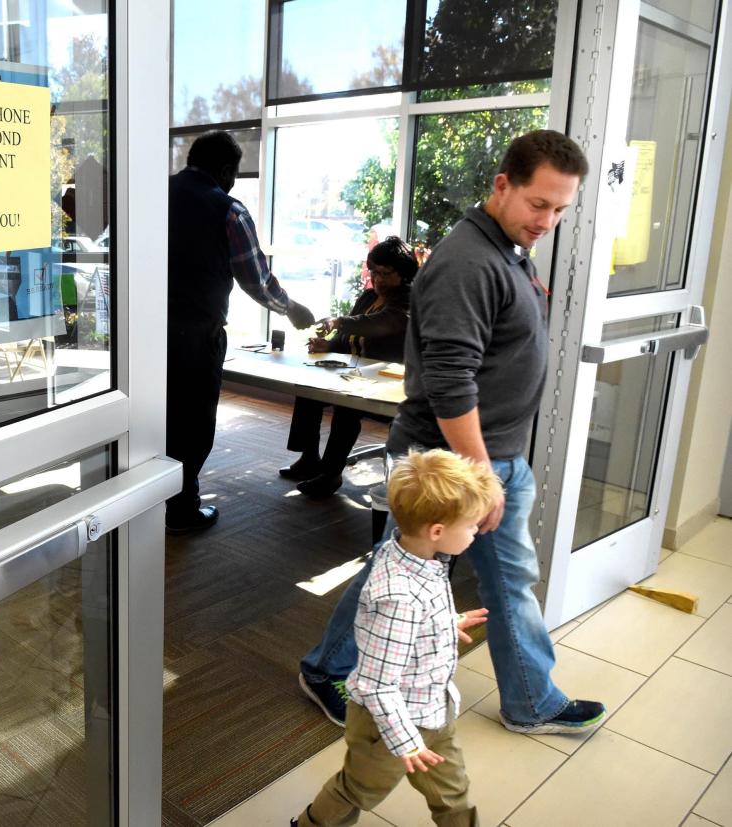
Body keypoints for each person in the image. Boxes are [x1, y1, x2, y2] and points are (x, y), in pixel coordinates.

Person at [298, 130, 607, 737]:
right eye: (538, 204)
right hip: (450, 463)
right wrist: (484, 477)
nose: (548, 220)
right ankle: (327, 668)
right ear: (502, 186)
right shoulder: (467, 262)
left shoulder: (509, 250)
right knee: (405, 574)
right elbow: (449, 381)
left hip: (484, 458)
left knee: (492, 577)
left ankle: (529, 699)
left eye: (561, 209)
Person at [293, 449, 498, 827]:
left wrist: (444, 623)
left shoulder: (408, 552)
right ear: (437, 531)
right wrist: (406, 742)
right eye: (471, 526)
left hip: (433, 709)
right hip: (389, 726)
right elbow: (375, 684)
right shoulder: (398, 597)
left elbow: (405, 629)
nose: (475, 533)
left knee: (453, 790)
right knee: (357, 790)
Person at [166, 131, 315, 534]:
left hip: (147, 335)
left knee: (157, 418)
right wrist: (290, 308)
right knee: (193, 424)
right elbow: (256, 279)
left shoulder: (154, 193)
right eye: (233, 172)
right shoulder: (227, 209)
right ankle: (181, 510)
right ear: (226, 169)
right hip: (197, 336)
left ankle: (150, 504)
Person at [279, 237, 417, 498]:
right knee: (309, 388)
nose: (378, 280)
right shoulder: (368, 297)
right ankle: (309, 459)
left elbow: (379, 324)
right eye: (374, 272)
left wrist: (339, 322)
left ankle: (330, 474)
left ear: (404, 273)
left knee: (346, 405)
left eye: (385, 273)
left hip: (392, 383)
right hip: (358, 376)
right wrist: (328, 345)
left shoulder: (409, 301)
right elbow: (348, 337)